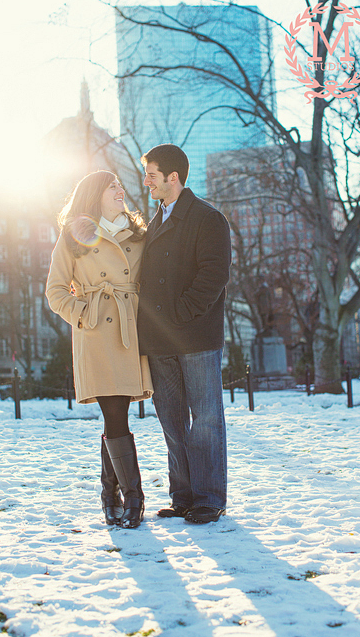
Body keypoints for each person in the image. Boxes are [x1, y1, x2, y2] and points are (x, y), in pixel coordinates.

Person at [46, 170, 153, 529]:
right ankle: (134, 498)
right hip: (97, 334)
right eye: (112, 186)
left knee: (116, 416)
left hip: (131, 329)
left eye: (121, 185)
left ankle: (110, 494)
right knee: (115, 415)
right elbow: (56, 291)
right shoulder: (74, 235)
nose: (120, 190)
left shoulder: (139, 234)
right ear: (95, 195)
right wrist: (85, 315)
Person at [138, 144, 232, 524]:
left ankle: (209, 498)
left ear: (172, 177)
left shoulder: (207, 218)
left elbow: (214, 275)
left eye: (151, 175)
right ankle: (183, 496)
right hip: (159, 339)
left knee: (206, 418)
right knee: (171, 418)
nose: (146, 182)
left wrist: (179, 313)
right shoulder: (154, 220)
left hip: (195, 336)